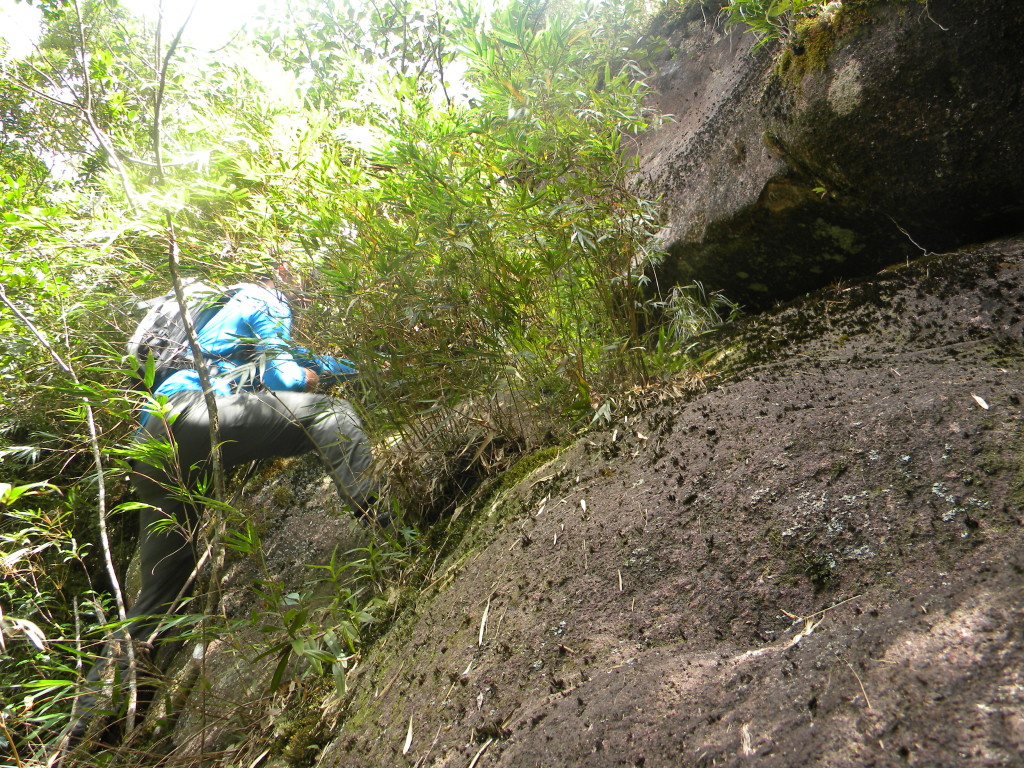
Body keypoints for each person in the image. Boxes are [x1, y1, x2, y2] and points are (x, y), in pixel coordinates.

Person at [69, 266, 381, 745]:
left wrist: (351, 365)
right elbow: (287, 374)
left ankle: (94, 733)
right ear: (282, 282)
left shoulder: (213, 314)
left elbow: (290, 360)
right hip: (196, 415)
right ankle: (391, 521)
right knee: (332, 416)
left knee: (157, 603)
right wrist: (310, 377)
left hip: (152, 443)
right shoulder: (264, 300)